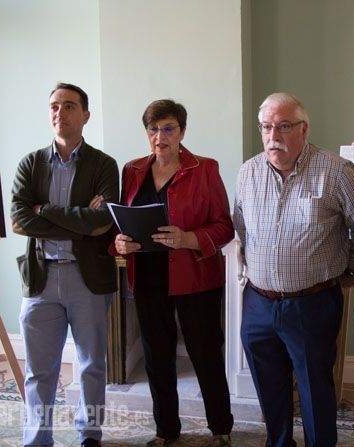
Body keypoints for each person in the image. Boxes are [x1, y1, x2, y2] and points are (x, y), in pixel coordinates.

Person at [233, 92, 354, 446]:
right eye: (266, 127)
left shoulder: (336, 171)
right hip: (258, 302)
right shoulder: (248, 172)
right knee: (269, 387)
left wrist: (349, 267)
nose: (273, 136)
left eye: (284, 126)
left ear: (304, 129)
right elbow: (241, 228)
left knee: (315, 389)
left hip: (312, 303)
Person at [110, 99, 234, 447]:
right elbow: (120, 222)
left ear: (182, 132)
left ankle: (221, 429)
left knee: (206, 357)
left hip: (196, 279)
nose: (160, 136)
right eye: (153, 129)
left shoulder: (205, 168)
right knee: (157, 359)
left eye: (168, 129)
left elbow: (224, 226)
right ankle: (166, 430)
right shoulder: (132, 170)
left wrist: (187, 239)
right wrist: (118, 243)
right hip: (147, 278)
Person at [11, 82, 119, 447]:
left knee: (92, 365)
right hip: (41, 279)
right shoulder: (30, 164)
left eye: (69, 106)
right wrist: (78, 219)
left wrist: (44, 211)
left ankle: (90, 434)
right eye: (54, 106)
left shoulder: (103, 165)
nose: (60, 112)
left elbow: (102, 222)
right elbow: (18, 220)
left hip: (87, 280)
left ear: (85, 115)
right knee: (39, 371)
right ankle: (37, 439)